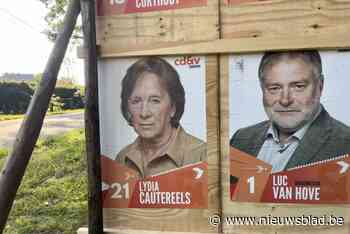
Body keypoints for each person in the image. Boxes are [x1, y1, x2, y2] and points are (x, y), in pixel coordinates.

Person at [230, 50, 350, 173]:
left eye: (298, 86)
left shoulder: (345, 145)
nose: (285, 100)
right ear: (262, 89)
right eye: (274, 88)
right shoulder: (240, 140)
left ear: (320, 86)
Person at [116, 56, 206, 177]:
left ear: (173, 107)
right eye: (136, 101)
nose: (144, 113)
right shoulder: (123, 158)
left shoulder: (201, 155)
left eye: (155, 101)